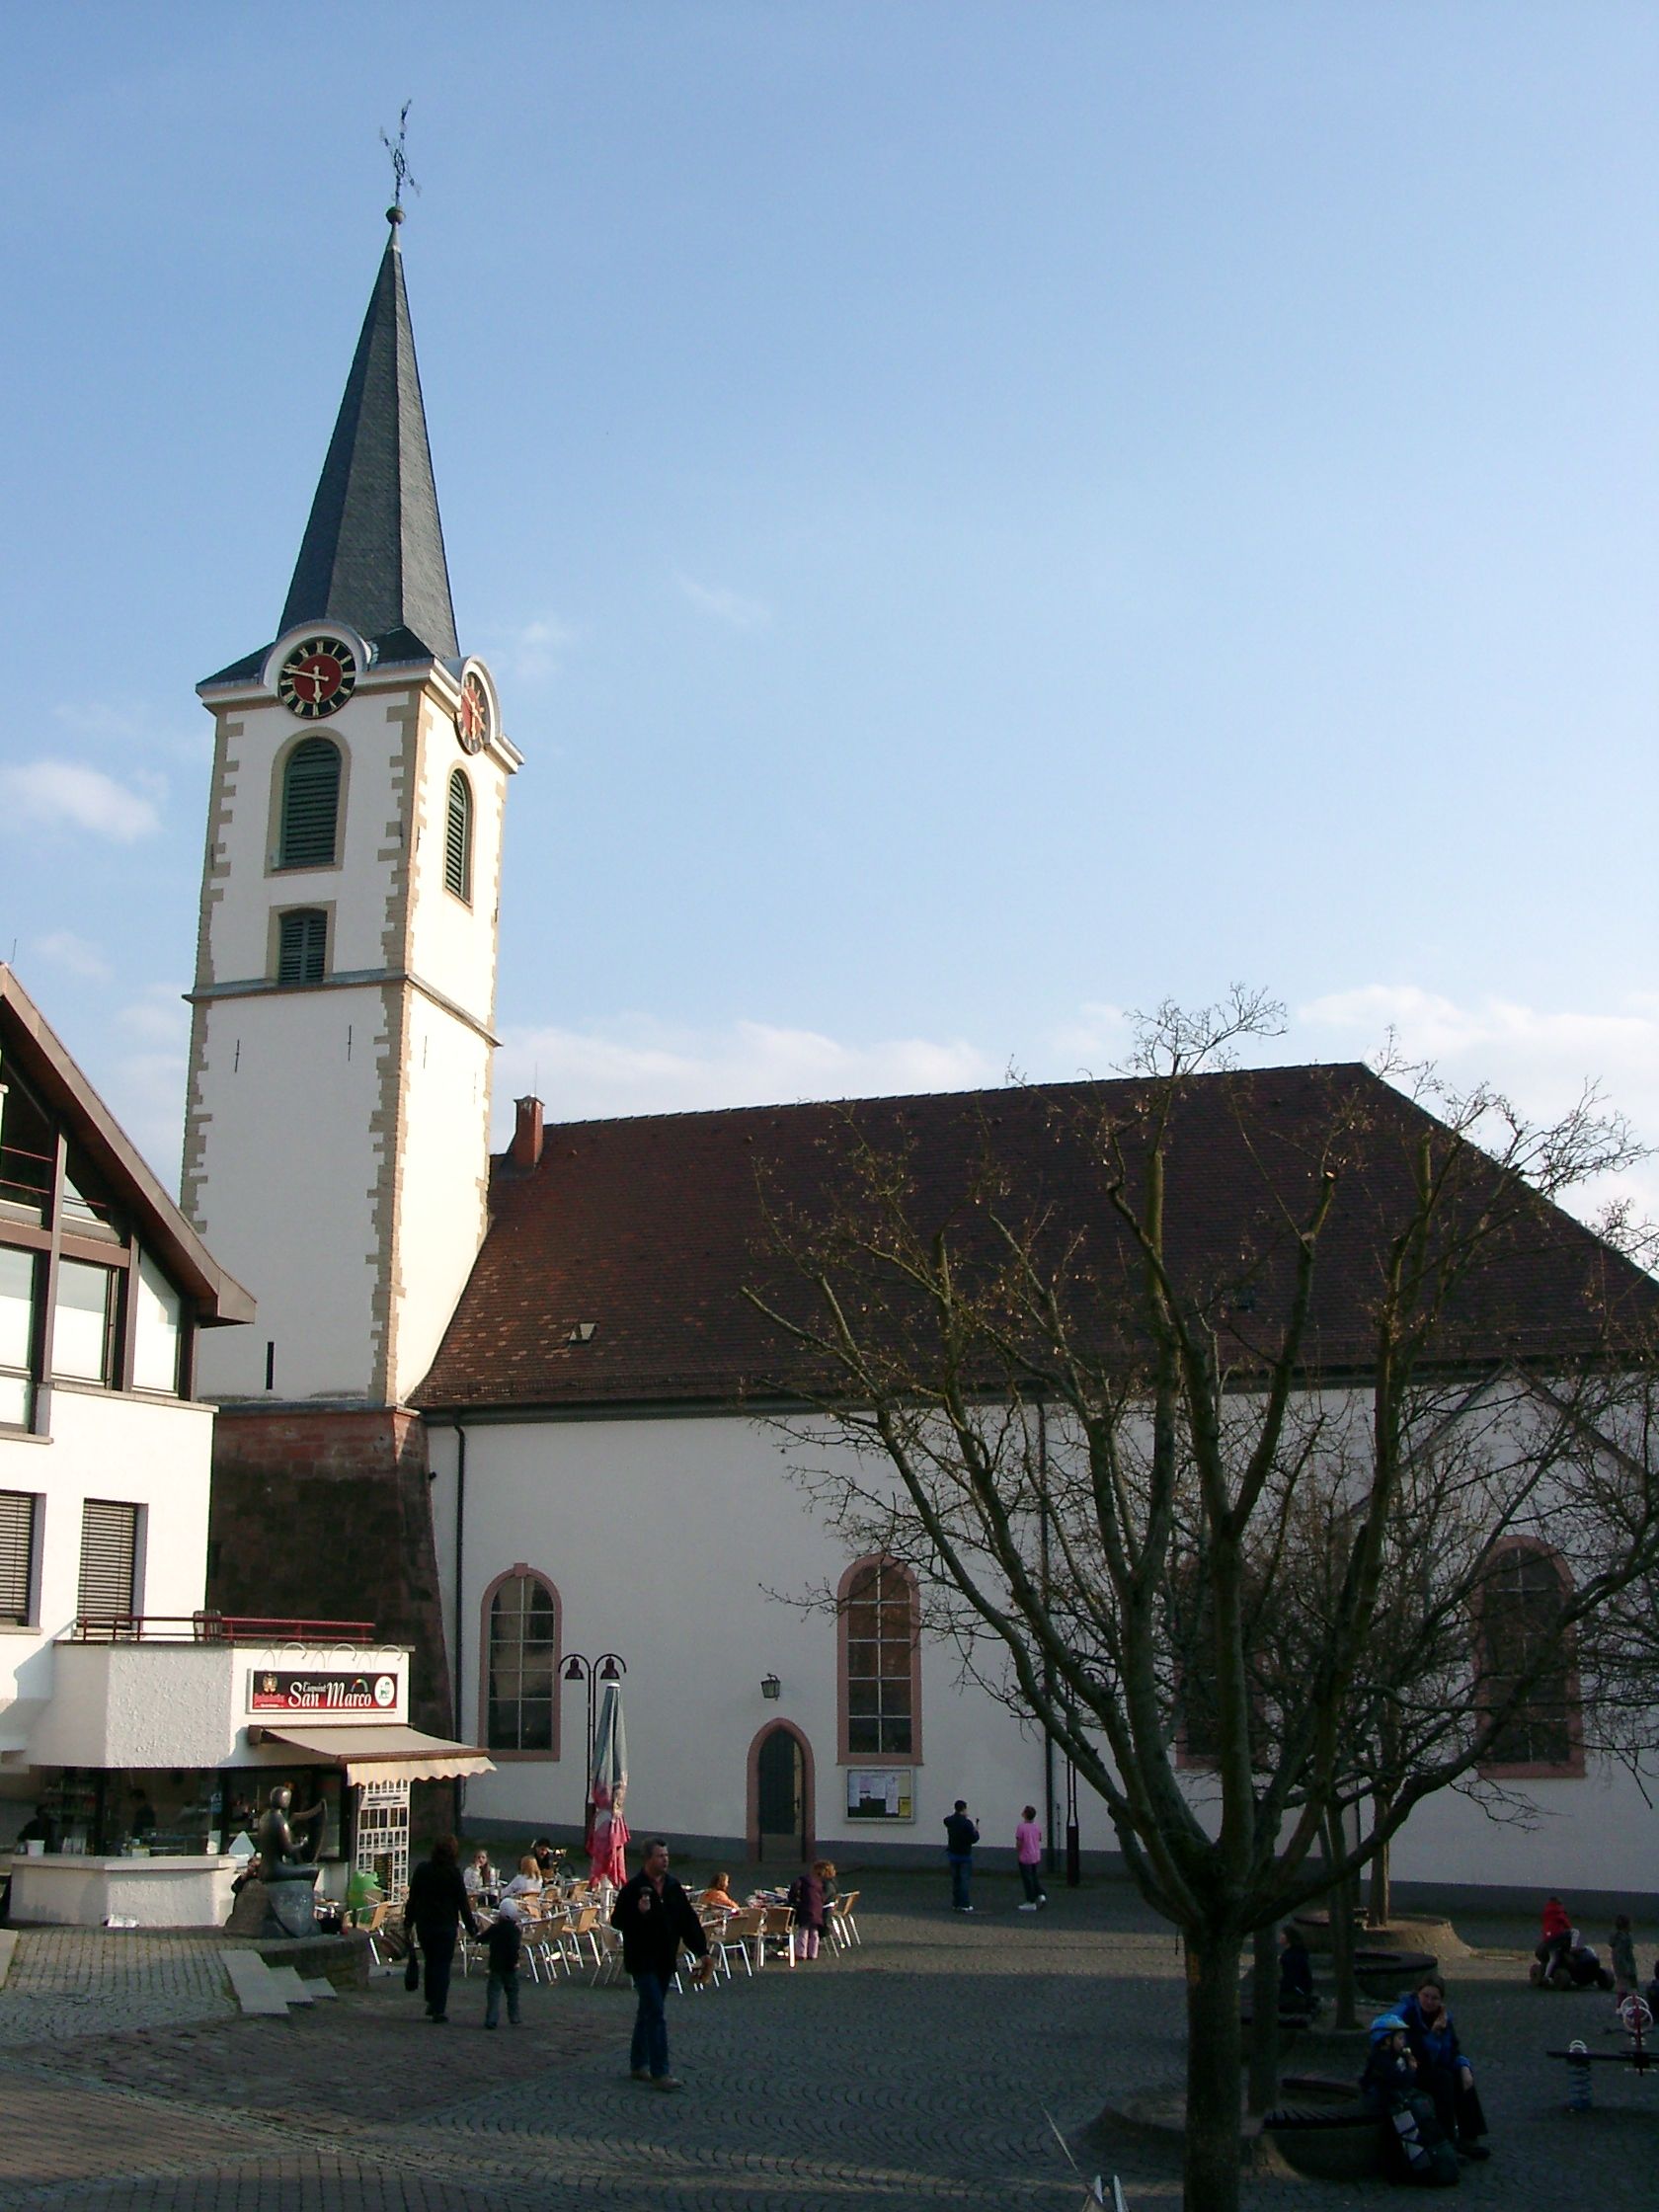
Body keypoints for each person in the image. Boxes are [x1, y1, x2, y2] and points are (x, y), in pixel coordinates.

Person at [611, 1838, 712, 2090]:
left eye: (666, 1856)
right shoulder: (634, 1888)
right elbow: (617, 1921)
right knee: (656, 2012)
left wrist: (702, 1952)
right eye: (660, 1856)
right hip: (641, 1959)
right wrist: (638, 1912)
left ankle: (637, 2064)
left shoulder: (672, 1887)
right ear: (648, 1859)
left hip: (665, 1960)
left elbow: (687, 1921)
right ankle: (661, 2072)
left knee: (647, 2011)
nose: (665, 1860)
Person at [1359, 2011, 1457, 2185]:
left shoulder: (1396, 2056)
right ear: (1387, 2041)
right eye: (1400, 2038)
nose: (1404, 2042)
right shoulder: (1380, 2060)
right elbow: (1397, 2079)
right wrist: (1411, 2070)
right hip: (1382, 2103)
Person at [1400, 1973, 1490, 2160]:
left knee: (1462, 2076)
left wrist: (1464, 2067)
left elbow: (1454, 2049)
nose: (1429, 2002)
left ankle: (1469, 2136)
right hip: (1410, 2068)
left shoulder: (1443, 2018)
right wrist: (1433, 2034)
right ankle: (1446, 2139)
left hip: (1433, 2066)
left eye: (1434, 1998)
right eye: (1426, 1996)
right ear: (1418, 1994)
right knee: (1443, 2079)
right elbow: (1418, 2054)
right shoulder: (1409, 2015)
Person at [405, 1835, 479, 2024]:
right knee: (443, 1966)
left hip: (425, 1924)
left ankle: (431, 1998)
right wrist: (472, 1929)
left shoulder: (422, 1870)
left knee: (430, 1962)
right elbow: (463, 1903)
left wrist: (408, 1922)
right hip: (446, 1925)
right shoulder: (453, 1873)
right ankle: (439, 2007)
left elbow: (413, 1899)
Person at [482, 1897, 523, 2028]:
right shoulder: (515, 1931)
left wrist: (477, 1937)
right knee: (512, 1992)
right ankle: (514, 2016)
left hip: (495, 1964)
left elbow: (483, 1938)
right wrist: (515, 1961)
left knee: (494, 1993)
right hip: (510, 1966)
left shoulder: (495, 1928)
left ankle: (491, 2019)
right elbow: (514, 1948)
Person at [943, 1799, 980, 1912]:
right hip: (964, 1855)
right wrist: (976, 1831)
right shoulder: (967, 1823)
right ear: (963, 1809)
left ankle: (956, 1902)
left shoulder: (950, 1821)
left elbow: (946, 1820)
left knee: (956, 1880)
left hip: (953, 1854)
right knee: (964, 1880)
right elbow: (974, 1839)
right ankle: (964, 1904)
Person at [1277, 1924, 1316, 2021]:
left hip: (1295, 1992)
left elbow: (1291, 1978)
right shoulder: (1297, 1953)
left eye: (1283, 1934)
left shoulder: (1291, 1957)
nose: (1280, 1936)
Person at [787, 1863, 826, 1959]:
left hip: (806, 1908)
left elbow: (794, 1890)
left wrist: (793, 1899)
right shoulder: (819, 1883)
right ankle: (813, 1953)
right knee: (814, 1931)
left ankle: (801, 1953)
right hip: (817, 1909)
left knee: (803, 1930)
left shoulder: (802, 1880)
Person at [1014, 1805, 1047, 1910]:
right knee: (1034, 1877)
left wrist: (1018, 1850)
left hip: (1025, 1856)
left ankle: (1030, 1901)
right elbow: (1039, 1838)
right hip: (1035, 1855)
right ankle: (1041, 1895)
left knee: (1027, 1879)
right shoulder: (1036, 1827)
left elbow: (1019, 1842)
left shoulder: (1021, 1827)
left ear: (1025, 1814)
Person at [1611, 1914, 1638, 2000]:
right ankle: (1629, 2004)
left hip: (1622, 1966)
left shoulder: (1619, 1938)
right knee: (1627, 1986)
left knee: (1623, 1985)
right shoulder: (1624, 1939)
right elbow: (1621, 1955)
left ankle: (1627, 2003)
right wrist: (1627, 1968)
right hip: (1625, 1966)